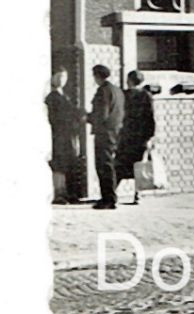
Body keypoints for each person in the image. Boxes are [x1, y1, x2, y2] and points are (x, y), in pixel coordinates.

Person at [116, 70, 157, 206]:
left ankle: (112, 192)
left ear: (129, 80)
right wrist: (150, 137)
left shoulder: (123, 95)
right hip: (140, 137)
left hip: (126, 135)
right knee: (138, 166)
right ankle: (137, 195)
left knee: (120, 165)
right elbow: (150, 118)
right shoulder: (146, 96)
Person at [45, 70, 84, 204]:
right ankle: (59, 193)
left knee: (70, 162)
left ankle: (70, 192)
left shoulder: (65, 96)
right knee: (60, 163)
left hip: (69, 134)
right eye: (59, 77)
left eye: (64, 77)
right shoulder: (52, 97)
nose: (62, 80)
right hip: (60, 134)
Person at [88, 65, 123, 210]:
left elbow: (101, 114)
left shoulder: (103, 91)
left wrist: (87, 117)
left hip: (104, 133)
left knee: (103, 165)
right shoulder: (117, 90)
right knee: (108, 164)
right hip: (115, 132)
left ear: (97, 76)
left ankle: (108, 199)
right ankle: (110, 197)